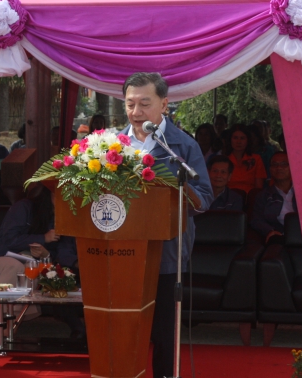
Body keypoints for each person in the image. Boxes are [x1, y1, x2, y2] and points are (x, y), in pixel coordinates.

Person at [121, 72, 212, 378]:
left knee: (163, 334)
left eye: (145, 104)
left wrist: (177, 188)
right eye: (130, 104)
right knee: (125, 330)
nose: (136, 112)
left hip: (167, 254)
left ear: (164, 104)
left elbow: (204, 198)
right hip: (121, 253)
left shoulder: (182, 146)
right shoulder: (110, 145)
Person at [0, 185, 61, 344]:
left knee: (31, 270)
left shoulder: (62, 218)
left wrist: (46, 253)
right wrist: (43, 238)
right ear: (50, 194)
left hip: (33, 264)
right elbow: (9, 239)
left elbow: (61, 251)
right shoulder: (24, 207)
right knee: (17, 268)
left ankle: (8, 327)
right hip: (2, 258)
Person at [223, 124, 267, 194]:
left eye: (242, 138)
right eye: (235, 138)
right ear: (230, 140)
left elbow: (258, 189)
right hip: (227, 198)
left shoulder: (256, 159)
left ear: (248, 140)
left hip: (250, 198)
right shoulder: (223, 160)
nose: (238, 141)